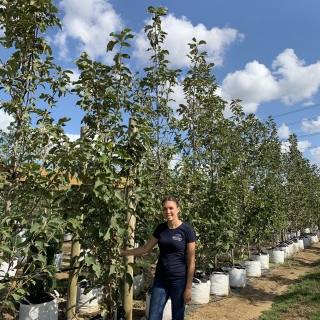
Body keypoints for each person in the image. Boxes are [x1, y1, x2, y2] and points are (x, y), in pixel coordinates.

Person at [119, 196, 196, 320]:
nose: (168, 211)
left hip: (178, 280)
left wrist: (188, 287)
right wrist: (123, 252)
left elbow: (191, 260)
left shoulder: (186, 230)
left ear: (178, 209)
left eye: (171, 208)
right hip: (160, 279)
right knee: (154, 316)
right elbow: (145, 249)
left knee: (177, 316)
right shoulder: (161, 228)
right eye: (165, 209)